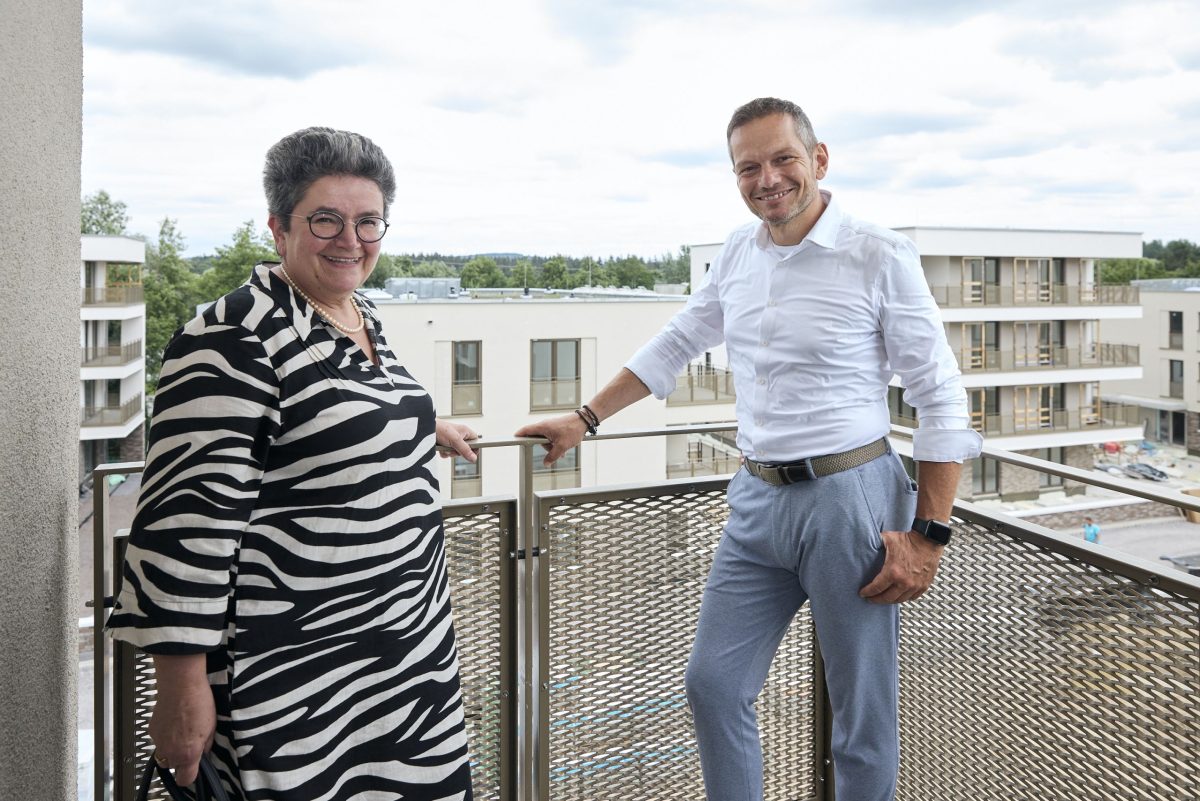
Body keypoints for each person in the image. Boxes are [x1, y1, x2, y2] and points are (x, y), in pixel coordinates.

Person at [516, 97, 982, 801]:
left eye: (783, 159)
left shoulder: (878, 253)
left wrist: (930, 534)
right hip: (756, 501)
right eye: (748, 167)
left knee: (861, 716)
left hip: (848, 501)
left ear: (818, 160)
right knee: (713, 683)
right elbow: (678, 340)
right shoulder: (739, 251)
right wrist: (586, 417)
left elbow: (940, 394)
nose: (768, 179)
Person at [107, 127, 479, 800]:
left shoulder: (358, 314)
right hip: (297, 684)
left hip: (403, 662)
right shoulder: (233, 336)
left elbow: (340, 415)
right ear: (279, 228)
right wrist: (181, 690)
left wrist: (428, 424)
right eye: (325, 220)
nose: (350, 240)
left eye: (368, 222)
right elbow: (186, 524)